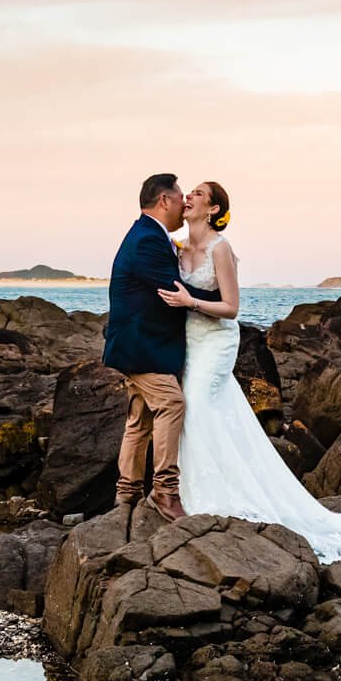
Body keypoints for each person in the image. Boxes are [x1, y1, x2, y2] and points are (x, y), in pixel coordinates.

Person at [158, 182, 341, 563]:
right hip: (189, 343)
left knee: (195, 406)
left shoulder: (220, 248)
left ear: (213, 210)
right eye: (189, 192)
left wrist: (189, 301)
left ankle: (209, 498)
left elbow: (231, 307)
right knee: (203, 412)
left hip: (215, 342)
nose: (189, 197)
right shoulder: (177, 247)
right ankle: (200, 489)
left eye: (198, 193)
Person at [103, 172, 206, 519]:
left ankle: (127, 494)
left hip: (139, 344)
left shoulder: (149, 235)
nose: (184, 204)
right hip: (141, 346)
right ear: (164, 200)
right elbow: (174, 287)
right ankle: (165, 491)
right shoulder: (147, 239)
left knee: (140, 418)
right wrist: (221, 297)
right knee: (171, 403)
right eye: (180, 198)